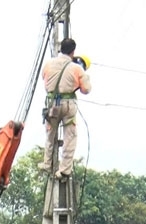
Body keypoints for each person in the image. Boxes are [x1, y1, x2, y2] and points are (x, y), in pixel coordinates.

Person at [40, 37, 92, 178]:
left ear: (60, 49)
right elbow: (86, 89)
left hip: (52, 103)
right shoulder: (76, 68)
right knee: (70, 137)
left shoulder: (49, 64)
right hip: (68, 105)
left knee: (50, 134)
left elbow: (44, 78)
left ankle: (47, 164)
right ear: (73, 52)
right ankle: (64, 170)